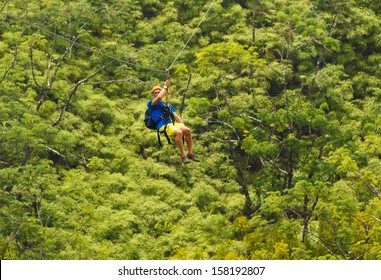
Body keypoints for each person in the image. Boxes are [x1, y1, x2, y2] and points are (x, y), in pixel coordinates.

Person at [147, 80, 199, 164]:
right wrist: (165, 87)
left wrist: (183, 127)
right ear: (153, 94)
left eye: (158, 92)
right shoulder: (151, 104)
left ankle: (190, 153)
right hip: (162, 125)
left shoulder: (167, 105)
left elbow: (176, 117)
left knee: (187, 130)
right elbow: (159, 97)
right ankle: (183, 156)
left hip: (172, 123)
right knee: (178, 132)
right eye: (155, 93)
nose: (157, 94)